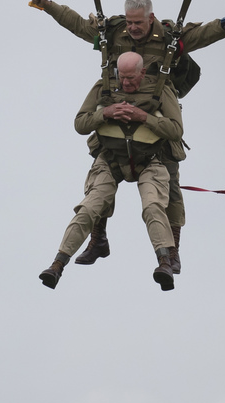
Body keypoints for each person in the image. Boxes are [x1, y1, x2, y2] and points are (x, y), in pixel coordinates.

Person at [30, 0, 225, 275]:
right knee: (99, 184)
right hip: (116, 117)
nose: (133, 28)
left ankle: (171, 253)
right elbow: (79, 26)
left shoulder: (169, 38)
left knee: (168, 188)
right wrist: (47, 6)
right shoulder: (113, 34)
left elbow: (202, 35)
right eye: (130, 22)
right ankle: (97, 239)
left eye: (138, 23)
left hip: (155, 113)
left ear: (151, 18)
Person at [40, 52, 182, 292]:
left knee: (153, 206)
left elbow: (176, 130)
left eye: (131, 78)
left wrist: (143, 117)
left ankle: (165, 262)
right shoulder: (103, 87)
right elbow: (80, 124)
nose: (126, 83)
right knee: (89, 207)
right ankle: (57, 265)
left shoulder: (161, 88)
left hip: (150, 159)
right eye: (122, 77)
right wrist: (105, 113)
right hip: (111, 159)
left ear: (143, 73)